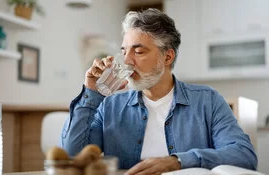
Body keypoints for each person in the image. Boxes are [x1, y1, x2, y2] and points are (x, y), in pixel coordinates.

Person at [60, 8, 257, 174]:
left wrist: (177, 162)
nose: (127, 60)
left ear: (167, 57)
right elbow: (72, 157)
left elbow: (243, 156)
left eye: (138, 51)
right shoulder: (110, 106)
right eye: (123, 51)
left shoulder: (208, 101)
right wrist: (91, 93)